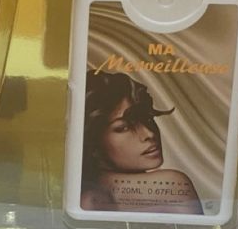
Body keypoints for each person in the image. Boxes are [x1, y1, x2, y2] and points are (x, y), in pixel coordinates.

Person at [80, 70, 203, 215]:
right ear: (92, 140)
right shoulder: (173, 186)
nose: (149, 134)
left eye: (147, 118)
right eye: (123, 127)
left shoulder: (88, 195)